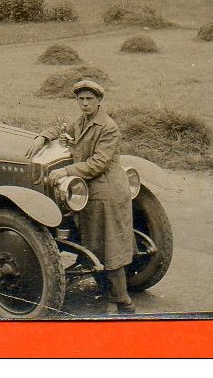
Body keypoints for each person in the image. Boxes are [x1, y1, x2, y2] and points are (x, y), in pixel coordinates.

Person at [24, 80, 136, 314]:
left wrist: (66, 171)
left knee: (110, 246)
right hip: (91, 190)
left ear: (99, 101)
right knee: (96, 244)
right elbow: (63, 128)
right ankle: (111, 295)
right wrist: (43, 137)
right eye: (81, 99)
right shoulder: (83, 121)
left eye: (89, 100)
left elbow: (99, 163)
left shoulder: (108, 127)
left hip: (107, 191)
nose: (85, 104)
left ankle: (122, 300)